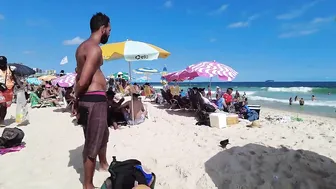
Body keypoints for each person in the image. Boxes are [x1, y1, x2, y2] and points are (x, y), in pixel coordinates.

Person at [74, 12, 111, 189]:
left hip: (89, 99)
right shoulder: (94, 49)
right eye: (109, 30)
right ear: (103, 29)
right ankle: (88, 185)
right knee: (92, 143)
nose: (110, 34)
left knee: (103, 134)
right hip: (94, 100)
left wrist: (76, 100)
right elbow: (83, 80)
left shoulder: (81, 47)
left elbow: (78, 74)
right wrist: (76, 97)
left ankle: (103, 163)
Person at [0, 56, 17, 126]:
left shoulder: (10, 69)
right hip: (0, 90)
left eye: (2, 63)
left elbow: (15, 78)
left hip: (9, 90)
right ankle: (1, 121)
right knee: (2, 104)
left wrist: (20, 85)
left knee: (5, 106)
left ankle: (2, 118)